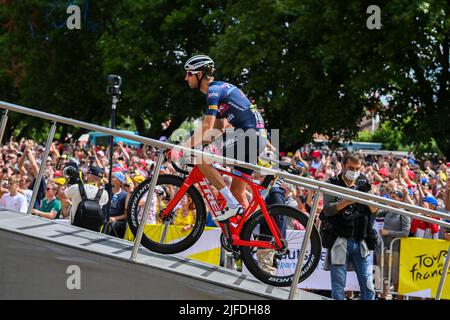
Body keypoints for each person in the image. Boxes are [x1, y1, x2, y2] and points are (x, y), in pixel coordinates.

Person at [171, 54, 266, 222]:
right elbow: (219, 128)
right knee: (238, 191)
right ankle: (247, 236)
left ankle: (232, 205)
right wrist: (196, 144)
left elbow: (207, 126)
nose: (186, 78)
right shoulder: (222, 90)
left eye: (189, 74)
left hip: (248, 137)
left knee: (200, 159)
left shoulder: (213, 91)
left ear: (200, 75)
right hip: (255, 138)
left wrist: (181, 147)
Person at [322, 153, 378, 300]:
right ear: (343, 165)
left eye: (357, 168)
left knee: (369, 287)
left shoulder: (365, 183)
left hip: (361, 240)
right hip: (339, 240)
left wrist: (366, 197)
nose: (354, 171)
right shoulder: (332, 182)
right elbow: (327, 210)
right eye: (350, 168)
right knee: (338, 287)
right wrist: (346, 201)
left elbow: (376, 210)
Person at [376, 189, 411, 299]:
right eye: (391, 197)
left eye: (395, 197)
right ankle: (383, 296)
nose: (392, 200)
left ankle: (398, 297)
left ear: (400, 199)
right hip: (383, 248)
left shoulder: (403, 213)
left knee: (396, 278)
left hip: (396, 250)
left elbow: (405, 233)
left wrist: (388, 232)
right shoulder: (388, 210)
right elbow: (375, 211)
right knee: (383, 276)